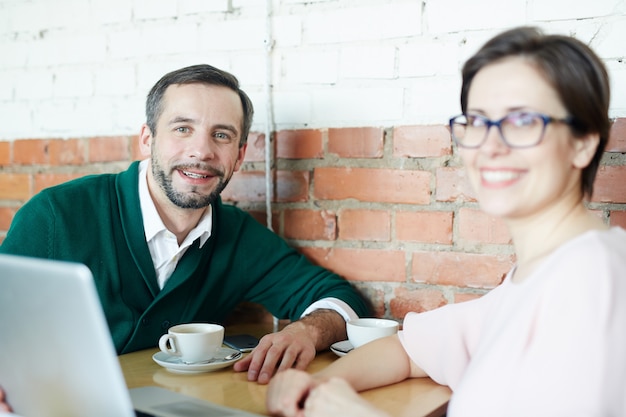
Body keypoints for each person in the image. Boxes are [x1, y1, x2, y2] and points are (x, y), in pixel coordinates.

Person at [265, 26, 626, 417]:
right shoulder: (529, 281)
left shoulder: (594, 278)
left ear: (584, 141)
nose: (491, 145)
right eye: (478, 121)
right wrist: (314, 389)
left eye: (522, 121)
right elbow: (410, 350)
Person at [0, 64, 370, 394]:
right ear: (147, 139)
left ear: (239, 156)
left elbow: (340, 297)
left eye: (221, 136)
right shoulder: (55, 216)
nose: (202, 151)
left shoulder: (237, 236)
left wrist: (306, 331)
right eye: (182, 128)